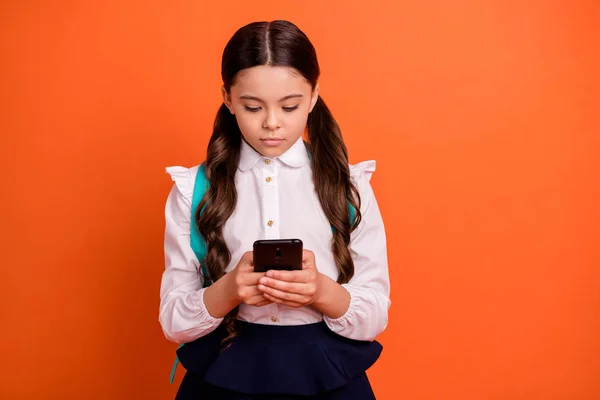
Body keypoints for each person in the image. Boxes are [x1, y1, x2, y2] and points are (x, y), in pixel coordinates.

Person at [160, 19, 391, 399]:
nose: (271, 123)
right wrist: (229, 289)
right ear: (228, 99)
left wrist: (320, 291)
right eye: (253, 107)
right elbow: (173, 321)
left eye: (289, 106)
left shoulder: (350, 187)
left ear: (314, 96)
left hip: (328, 375)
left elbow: (374, 316)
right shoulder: (192, 191)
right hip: (223, 374)